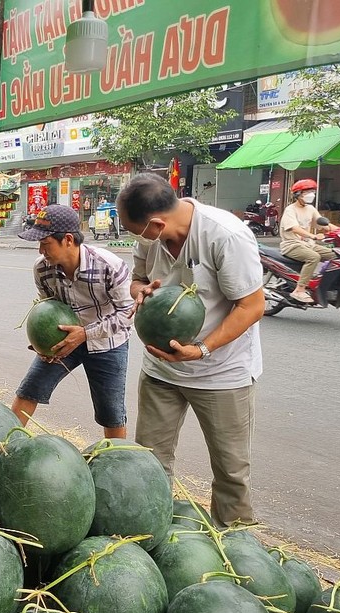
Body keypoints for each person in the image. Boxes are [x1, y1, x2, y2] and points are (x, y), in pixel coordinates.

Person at [118, 173, 265, 527]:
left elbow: (251, 306)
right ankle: (151, 537)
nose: (135, 237)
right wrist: (138, 290)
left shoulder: (225, 236)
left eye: (135, 230)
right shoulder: (151, 240)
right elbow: (137, 279)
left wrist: (200, 349)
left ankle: (237, 550)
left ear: (155, 223)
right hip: (161, 372)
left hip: (222, 373)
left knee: (231, 471)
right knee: (150, 463)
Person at [11, 204, 133, 439]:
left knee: (112, 412)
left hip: (108, 343)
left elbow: (127, 314)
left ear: (67, 239)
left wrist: (85, 333)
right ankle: (3, 445)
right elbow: (48, 310)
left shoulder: (109, 266)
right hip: (66, 341)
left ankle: (118, 460)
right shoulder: (42, 269)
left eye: (46, 244)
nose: (41, 250)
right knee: (29, 390)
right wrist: (42, 345)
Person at [279, 178, 338, 304]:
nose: (311, 194)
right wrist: (313, 236)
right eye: (307, 192)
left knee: (335, 255)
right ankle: (299, 290)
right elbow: (295, 228)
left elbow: (324, 224)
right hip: (291, 245)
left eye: (312, 191)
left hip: (307, 245)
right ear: (298, 194)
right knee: (314, 257)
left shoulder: (310, 209)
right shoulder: (291, 210)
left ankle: (319, 282)